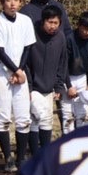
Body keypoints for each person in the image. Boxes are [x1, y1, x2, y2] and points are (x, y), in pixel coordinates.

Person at [0, 0, 35, 170]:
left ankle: (21, 158)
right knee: (4, 117)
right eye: (8, 0)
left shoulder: (25, 21)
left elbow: (28, 47)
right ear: (2, 2)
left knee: (23, 118)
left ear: (20, 1)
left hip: (19, 72)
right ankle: (8, 158)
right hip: (0, 70)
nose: (12, 3)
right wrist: (15, 70)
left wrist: (20, 70)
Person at [23, 8, 70, 156]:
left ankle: (45, 153)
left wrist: (58, 86)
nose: (53, 26)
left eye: (56, 23)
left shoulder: (60, 37)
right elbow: (26, 63)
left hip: (50, 86)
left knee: (47, 119)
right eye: (50, 22)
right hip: (34, 85)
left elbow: (62, 63)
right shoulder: (33, 36)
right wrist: (29, 87)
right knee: (36, 116)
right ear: (43, 21)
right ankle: (36, 153)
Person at [63, 12, 88, 133]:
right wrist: (69, 85)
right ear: (79, 26)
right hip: (68, 76)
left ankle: (82, 140)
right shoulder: (69, 39)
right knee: (68, 114)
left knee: (83, 113)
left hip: (83, 77)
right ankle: (67, 143)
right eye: (85, 29)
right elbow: (63, 65)